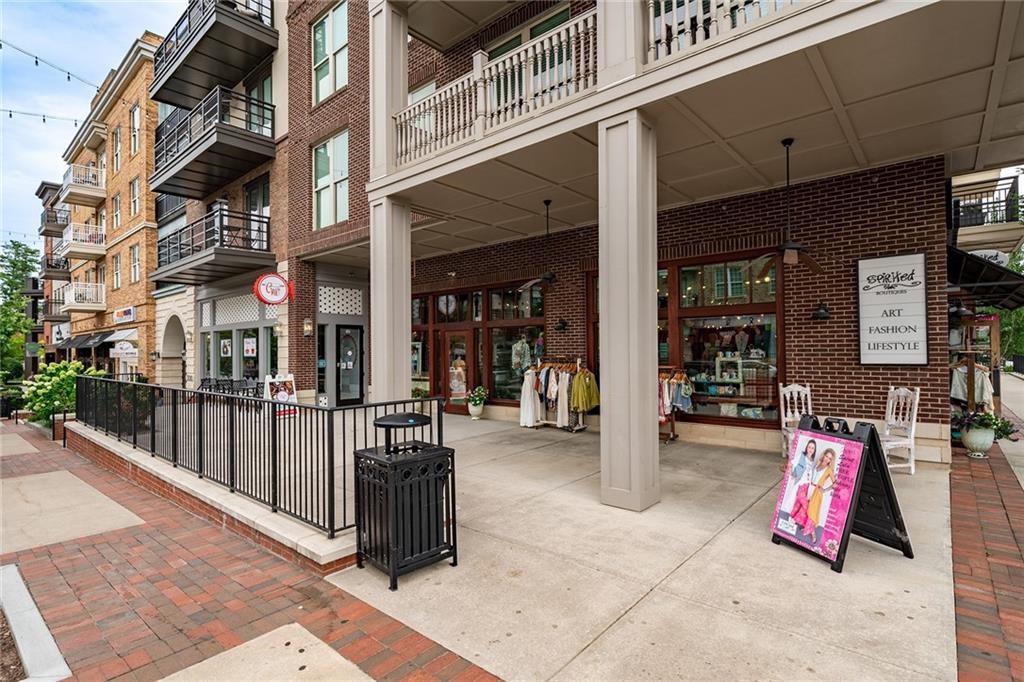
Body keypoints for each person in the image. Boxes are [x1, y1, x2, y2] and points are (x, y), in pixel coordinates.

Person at [802, 448, 838, 542]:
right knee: (806, 509)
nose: (827, 459)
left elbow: (835, 484)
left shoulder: (829, 470)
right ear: (824, 455)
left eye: (830, 458)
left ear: (831, 460)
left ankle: (813, 533)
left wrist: (825, 490)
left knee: (812, 512)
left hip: (817, 492)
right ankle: (807, 528)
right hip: (809, 488)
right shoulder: (818, 463)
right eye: (826, 456)